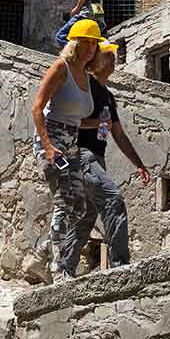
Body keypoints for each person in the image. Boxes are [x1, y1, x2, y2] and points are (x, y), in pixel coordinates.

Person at [30, 17, 105, 279]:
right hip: (52, 140)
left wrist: (102, 123)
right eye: (84, 43)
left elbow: (78, 117)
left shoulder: (85, 75)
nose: (89, 49)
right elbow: (37, 107)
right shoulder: (60, 68)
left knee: (80, 207)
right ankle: (58, 268)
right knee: (64, 201)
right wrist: (48, 147)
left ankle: (41, 254)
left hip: (71, 142)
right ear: (73, 44)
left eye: (93, 44)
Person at [75, 42, 152, 269]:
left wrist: (139, 164)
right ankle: (120, 267)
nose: (113, 60)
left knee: (86, 217)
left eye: (114, 56)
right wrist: (97, 123)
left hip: (98, 158)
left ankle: (64, 267)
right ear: (96, 60)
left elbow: (118, 133)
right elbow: (71, 121)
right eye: (108, 56)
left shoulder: (108, 95)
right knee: (113, 199)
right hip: (83, 155)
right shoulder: (85, 86)